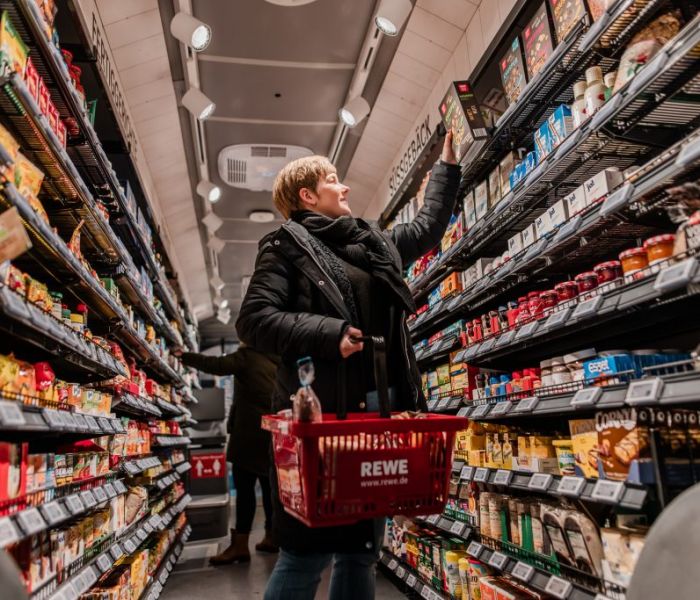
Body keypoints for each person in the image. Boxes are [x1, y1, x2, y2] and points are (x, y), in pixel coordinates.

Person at [235, 130, 460, 599]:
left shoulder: (371, 243)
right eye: (334, 180)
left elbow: (425, 228)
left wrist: (447, 168)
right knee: (305, 555)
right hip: (319, 420)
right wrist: (329, 333)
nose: (345, 188)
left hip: (374, 416)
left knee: (361, 551)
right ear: (307, 195)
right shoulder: (283, 248)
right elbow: (255, 321)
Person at [179, 343, 280, 563]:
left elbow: (217, 364)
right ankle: (272, 537)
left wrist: (184, 356)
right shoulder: (277, 356)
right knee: (268, 486)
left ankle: (240, 545)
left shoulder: (248, 355)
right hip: (271, 431)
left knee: (244, 490)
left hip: (249, 433)